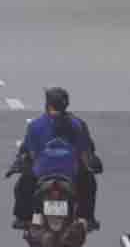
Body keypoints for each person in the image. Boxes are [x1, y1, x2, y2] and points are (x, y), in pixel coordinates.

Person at [11, 86, 101, 230]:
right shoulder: (77, 124)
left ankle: (23, 218)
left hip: (42, 173)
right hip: (70, 173)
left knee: (23, 185)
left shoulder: (36, 125)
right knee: (89, 182)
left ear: (47, 104)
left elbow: (29, 151)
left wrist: (20, 164)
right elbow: (85, 151)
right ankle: (87, 218)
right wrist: (91, 163)